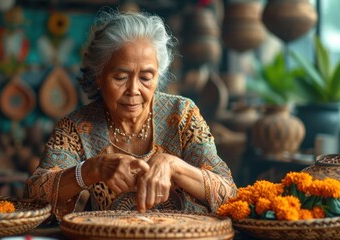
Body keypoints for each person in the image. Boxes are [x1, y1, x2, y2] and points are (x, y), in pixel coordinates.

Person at [24, 9, 237, 221]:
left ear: (158, 76)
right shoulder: (76, 127)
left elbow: (229, 194)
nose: (133, 90)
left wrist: (173, 166)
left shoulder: (182, 115)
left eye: (145, 77)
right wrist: (90, 170)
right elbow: (34, 196)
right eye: (120, 77)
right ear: (99, 76)